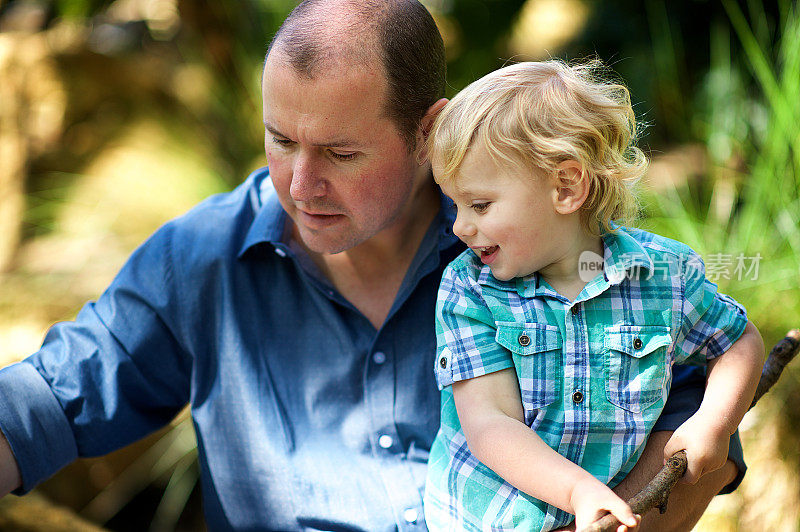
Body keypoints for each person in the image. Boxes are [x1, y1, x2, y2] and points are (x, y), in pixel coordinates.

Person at [0, 1, 760, 530]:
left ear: (428, 130)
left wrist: (619, 506)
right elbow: (50, 401)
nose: (298, 186)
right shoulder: (200, 261)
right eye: (281, 141)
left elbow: (701, 434)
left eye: (340, 153)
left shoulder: (536, 238)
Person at [422, 60, 764, 532]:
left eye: (479, 204)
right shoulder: (470, 290)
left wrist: (714, 423)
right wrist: (577, 491)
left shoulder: (662, 275)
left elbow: (737, 341)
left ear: (566, 186)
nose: (460, 226)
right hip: (490, 518)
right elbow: (490, 424)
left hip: (613, 510)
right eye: (455, 204)